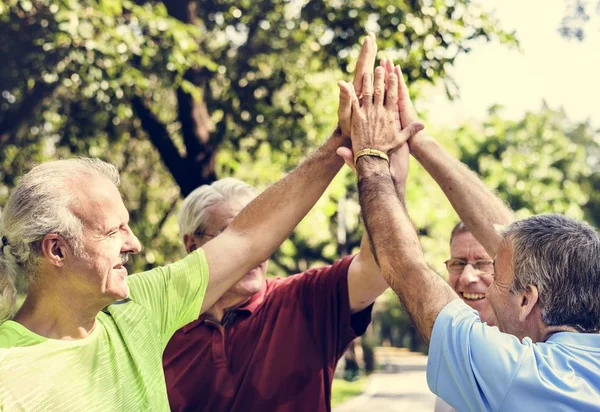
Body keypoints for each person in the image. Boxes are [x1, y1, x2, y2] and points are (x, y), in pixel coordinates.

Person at [0, 82, 422, 412]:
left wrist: (342, 145)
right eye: (114, 232)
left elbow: (247, 237)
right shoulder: (9, 370)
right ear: (56, 250)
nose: (136, 243)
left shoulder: (138, 309)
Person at [342, 49, 600, 411]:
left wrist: (370, 155)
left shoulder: (518, 374)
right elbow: (513, 239)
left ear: (527, 299)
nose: (477, 281)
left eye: (496, 275)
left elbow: (407, 267)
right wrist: (420, 141)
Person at [162, 34, 406, 412]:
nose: (257, 250)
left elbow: (380, 268)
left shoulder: (306, 299)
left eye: (265, 236)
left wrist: (382, 171)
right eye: (237, 235)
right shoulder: (161, 323)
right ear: (192, 245)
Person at [434, 222, 495, 412]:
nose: (467, 278)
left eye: (483, 263)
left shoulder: (530, 358)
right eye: (458, 264)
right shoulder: (452, 347)